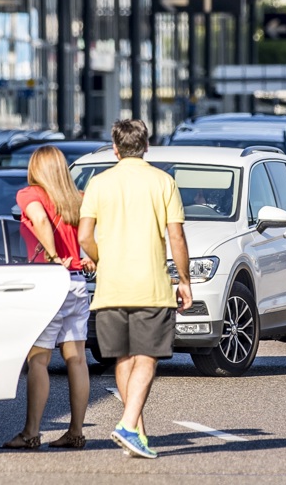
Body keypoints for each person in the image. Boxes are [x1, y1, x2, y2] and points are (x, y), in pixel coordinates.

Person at [78, 119, 191, 460]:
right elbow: (176, 236)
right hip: (150, 285)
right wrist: (184, 280)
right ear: (146, 146)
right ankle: (129, 424)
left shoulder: (99, 183)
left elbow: (84, 236)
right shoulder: (163, 182)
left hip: (110, 287)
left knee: (123, 358)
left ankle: (137, 432)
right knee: (148, 356)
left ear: (115, 148)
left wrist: (102, 258)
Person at [1, 145, 90, 451]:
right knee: (77, 359)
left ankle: (31, 433)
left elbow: (39, 220)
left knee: (38, 360)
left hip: (50, 284)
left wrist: (52, 257)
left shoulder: (30, 195)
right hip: (78, 283)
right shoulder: (76, 198)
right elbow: (90, 235)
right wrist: (86, 257)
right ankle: (76, 432)